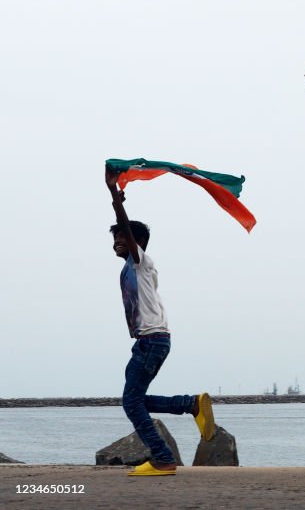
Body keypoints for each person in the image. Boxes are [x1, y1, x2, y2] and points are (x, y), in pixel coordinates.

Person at [105, 164, 217, 477]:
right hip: (150, 340)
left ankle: (162, 458)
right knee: (135, 399)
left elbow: (127, 229)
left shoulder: (140, 261)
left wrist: (114, 195)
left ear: (134, 241)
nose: (116, 242)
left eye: (120, 238)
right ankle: (191, 404)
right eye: (114, 238)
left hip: (153, 339)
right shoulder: (133, 266)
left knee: (131, 402)